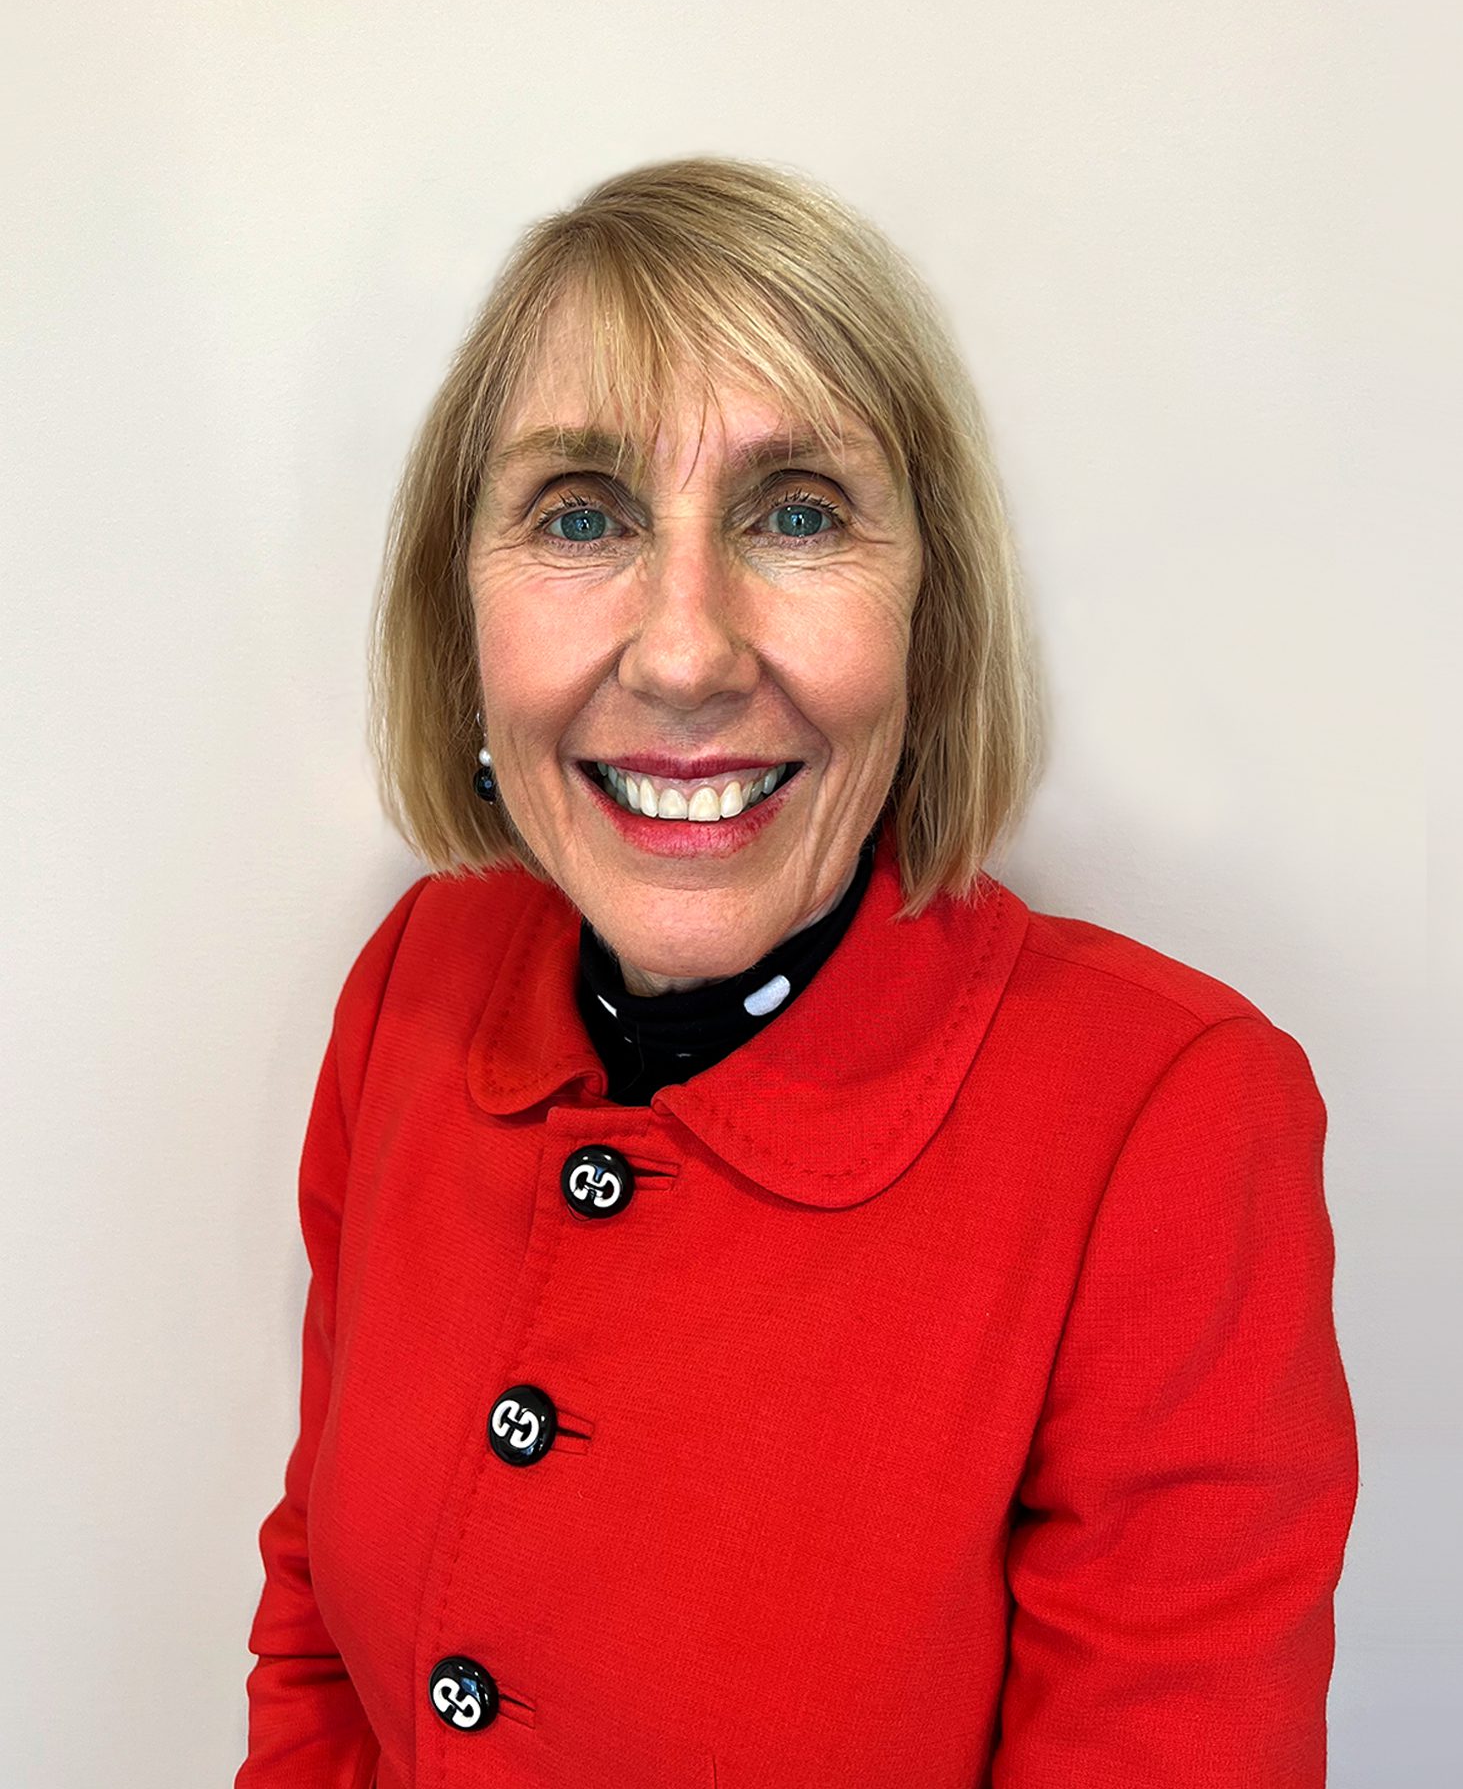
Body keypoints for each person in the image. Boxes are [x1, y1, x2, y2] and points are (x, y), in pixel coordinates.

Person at [235, 156, 1358, 1789]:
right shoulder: (414, 979)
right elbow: (318, 1648)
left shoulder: (1172, 1125)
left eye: (799, 512)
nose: (686, 652)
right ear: (455, 611)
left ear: (931, 616)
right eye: (581, 514)